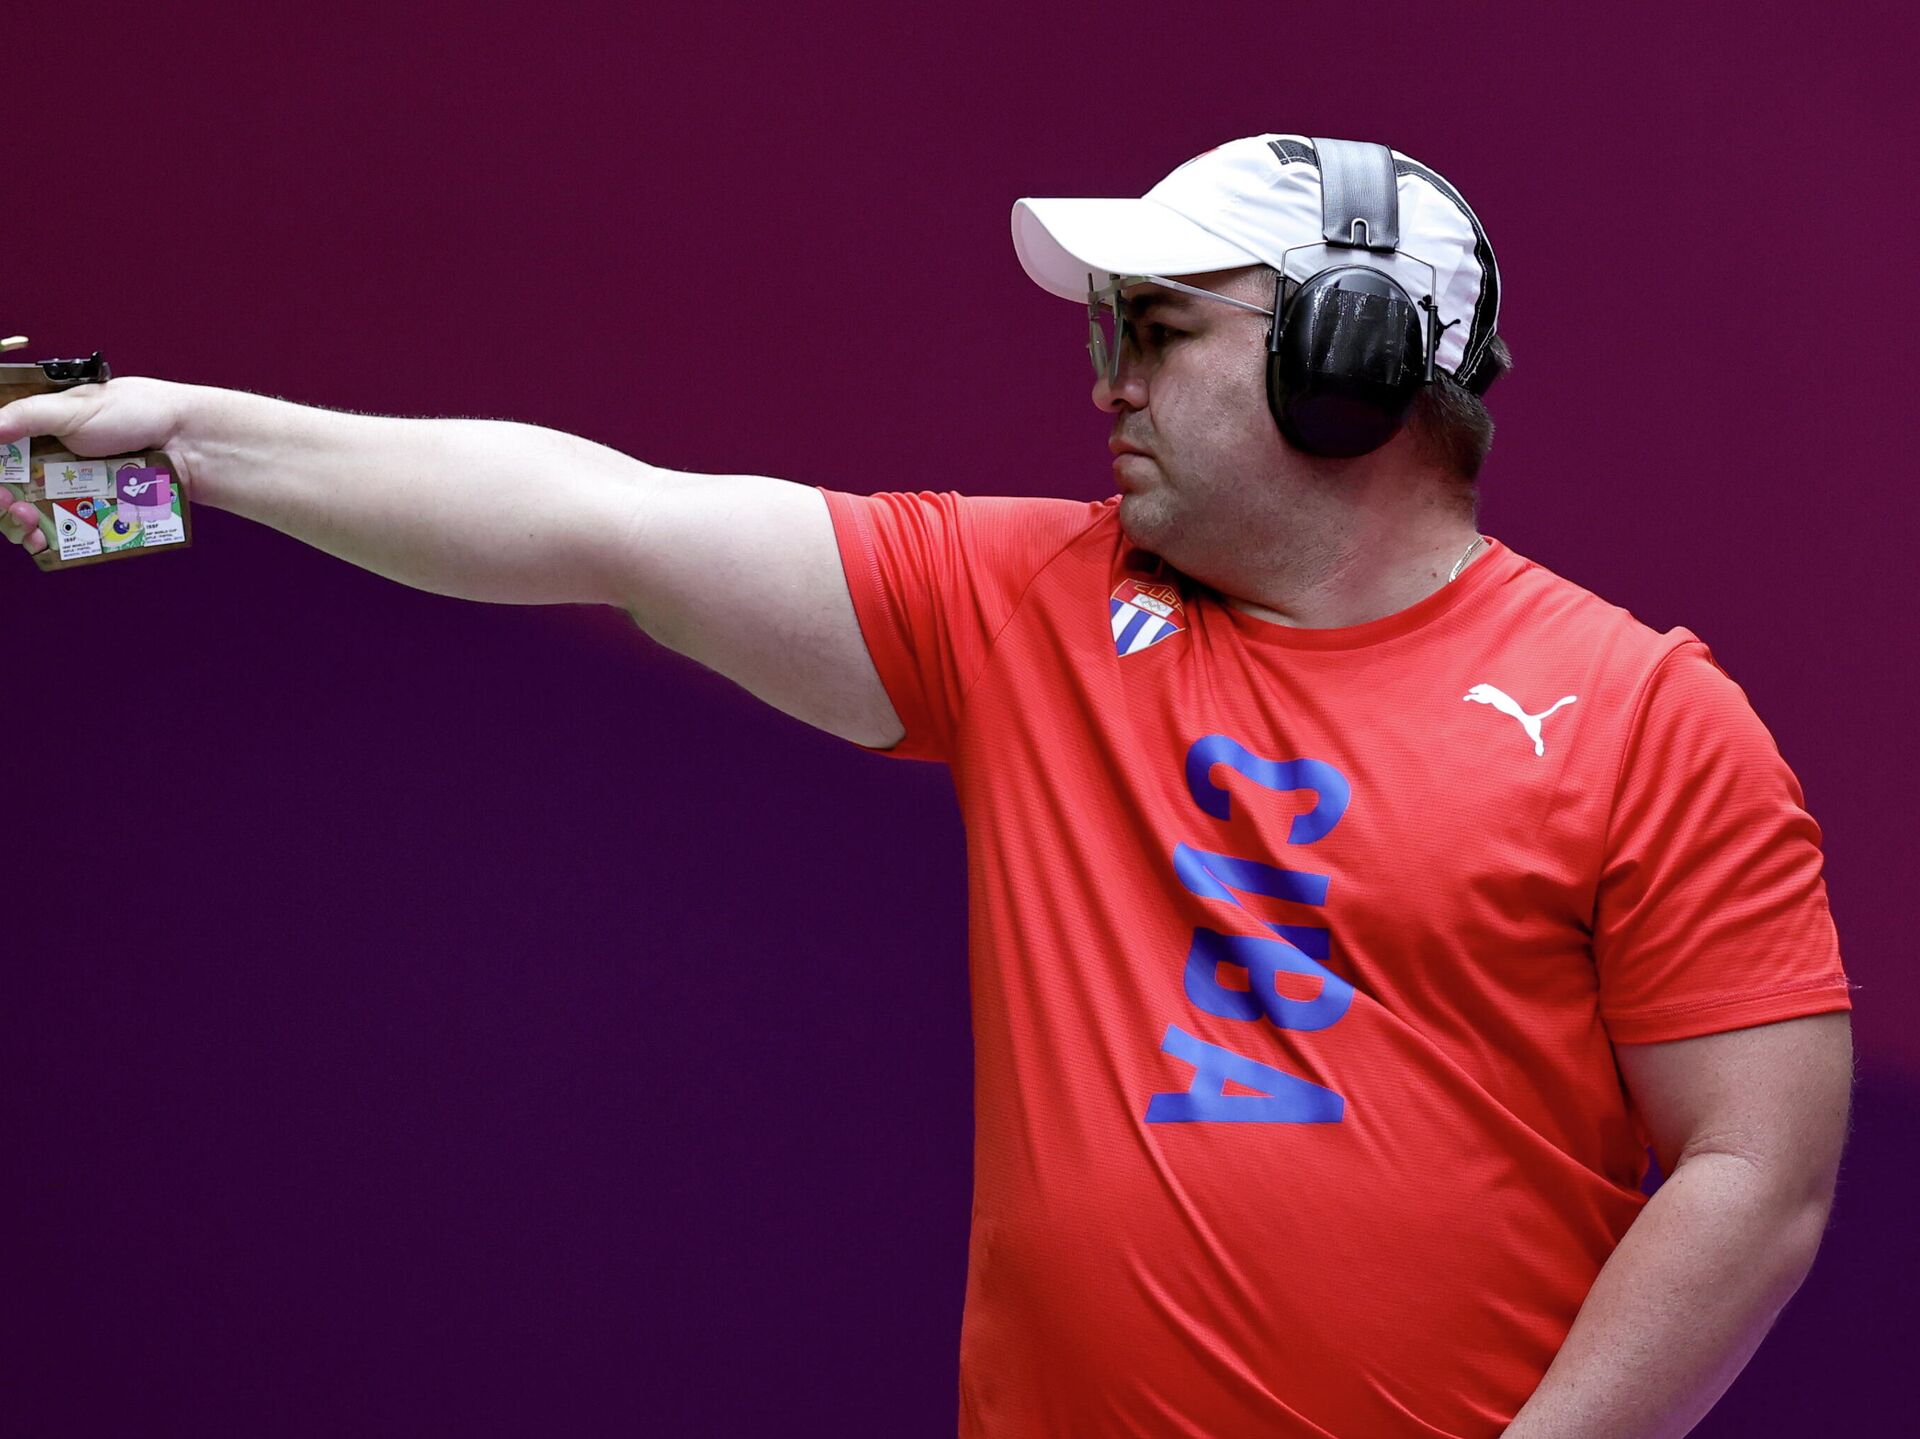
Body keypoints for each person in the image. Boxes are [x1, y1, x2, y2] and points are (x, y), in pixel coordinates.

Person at [1, 134, 1855, 1438]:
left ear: (1351, 361)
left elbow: (1756, 1174)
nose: (1106, 381)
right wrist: (195, 440)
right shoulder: (1027, 601)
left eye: (1157, 329)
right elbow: (600, 519)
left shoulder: (1648, 715)